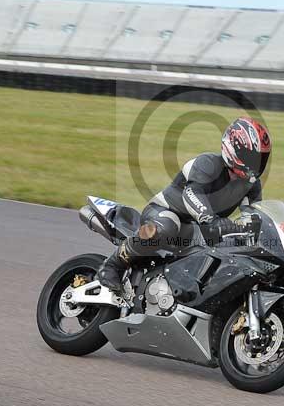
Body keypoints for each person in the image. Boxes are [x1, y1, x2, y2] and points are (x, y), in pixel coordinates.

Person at [97, 116, 272, 292]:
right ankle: (112, 265)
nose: (257, 163)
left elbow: (253, 213)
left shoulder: (250, 184)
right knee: (167, 227)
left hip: (197, 229)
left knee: (232, 249)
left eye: (261, 158)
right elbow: (192, 194)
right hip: (163, 212)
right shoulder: (208, 164)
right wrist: (211, 220)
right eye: (253, 157)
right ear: (234, 150)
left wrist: (260, 230)